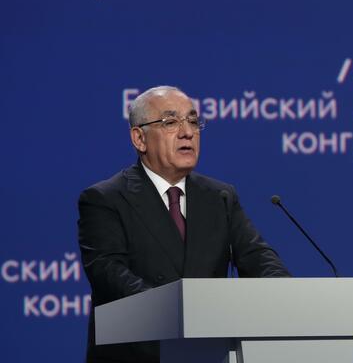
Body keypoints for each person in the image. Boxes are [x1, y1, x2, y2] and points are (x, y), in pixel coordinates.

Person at [78, 85, 290, 363]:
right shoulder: (105, 199)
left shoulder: (219, 196)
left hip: (208, 352)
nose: (187, 132)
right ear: (139, 138)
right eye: (170, 122)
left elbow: (258, 257)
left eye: (193, 121)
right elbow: (111, 275)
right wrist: (178, 312)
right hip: (140, 353)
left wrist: (285, 296)